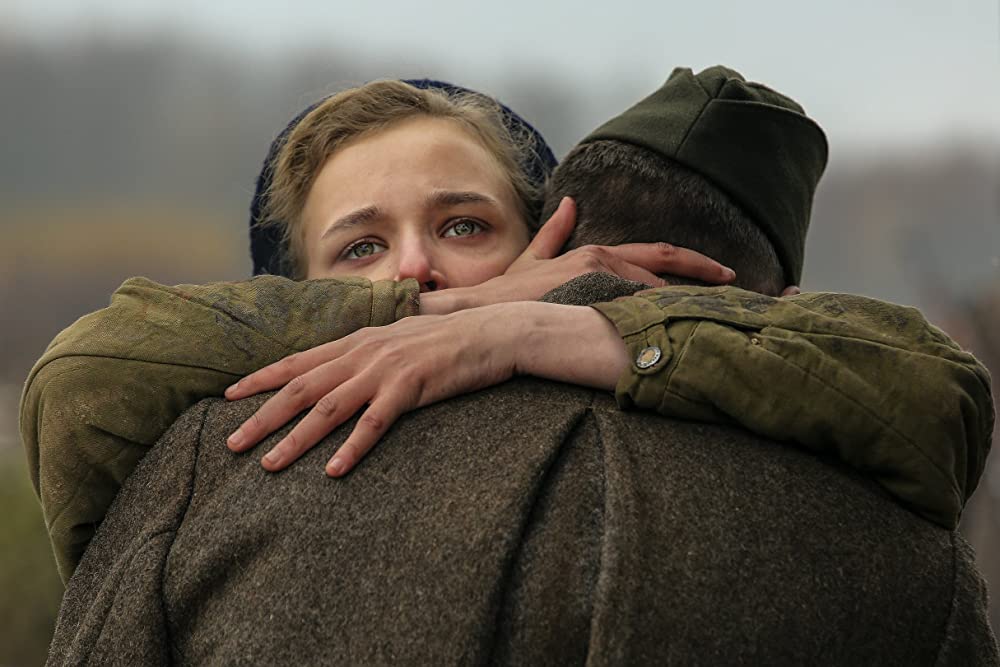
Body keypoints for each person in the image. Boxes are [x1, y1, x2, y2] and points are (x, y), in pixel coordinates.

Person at [45, 67, 998, 664]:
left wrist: (582, 327)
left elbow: (932, 385)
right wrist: (462, 306)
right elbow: (84, 378)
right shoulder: (219, 441)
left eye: (464, 225)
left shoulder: (202, 476)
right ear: (287, 298)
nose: (413, 265)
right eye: (360, 252)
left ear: (551, 238)